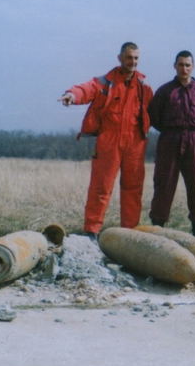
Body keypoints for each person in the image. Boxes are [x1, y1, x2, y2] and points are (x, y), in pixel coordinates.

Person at [59, 42, 153, 239]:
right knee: (101, 186)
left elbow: (157, 111)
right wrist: (71, 95)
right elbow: (85, 89)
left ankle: (129, 232)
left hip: (135, 142)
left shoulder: (144, 88)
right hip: (109, 139)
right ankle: (91, 230)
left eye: (136, 58)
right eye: (129, 57)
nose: (133, 62)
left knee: (133, 188)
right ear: (119, 58)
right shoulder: (105, 82)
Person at [148, 50, 195, 240]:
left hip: (194, 139)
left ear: (193, 67)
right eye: (181, 64)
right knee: (164, 183)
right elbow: (154, 117)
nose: (184, 68)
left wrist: (192, 131)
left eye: (187, 65)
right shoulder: (165, 91)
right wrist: (171, 131)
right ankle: (158, 227)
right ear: (174, 66)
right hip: (170, 139)